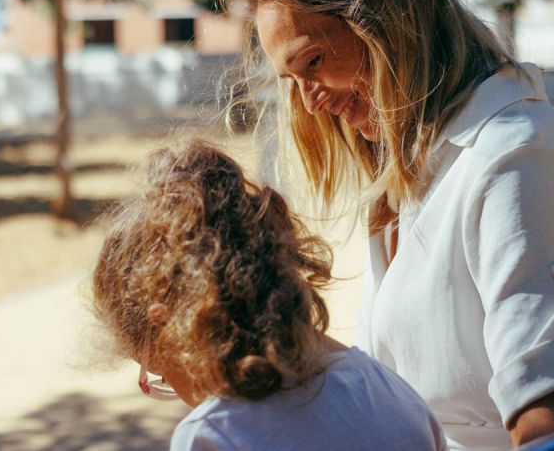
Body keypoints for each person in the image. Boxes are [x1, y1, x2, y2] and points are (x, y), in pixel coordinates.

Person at [237, 0, 554, 450]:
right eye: (293, 79)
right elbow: (389, 381)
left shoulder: (516, 158)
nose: (311, 101)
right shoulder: (410, 176)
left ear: (387, 20)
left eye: (315, 61)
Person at [91, 140, 447, 451]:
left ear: (171, 324)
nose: (181, 400)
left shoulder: (216, 437)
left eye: (162, 376)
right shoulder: (393, 394)